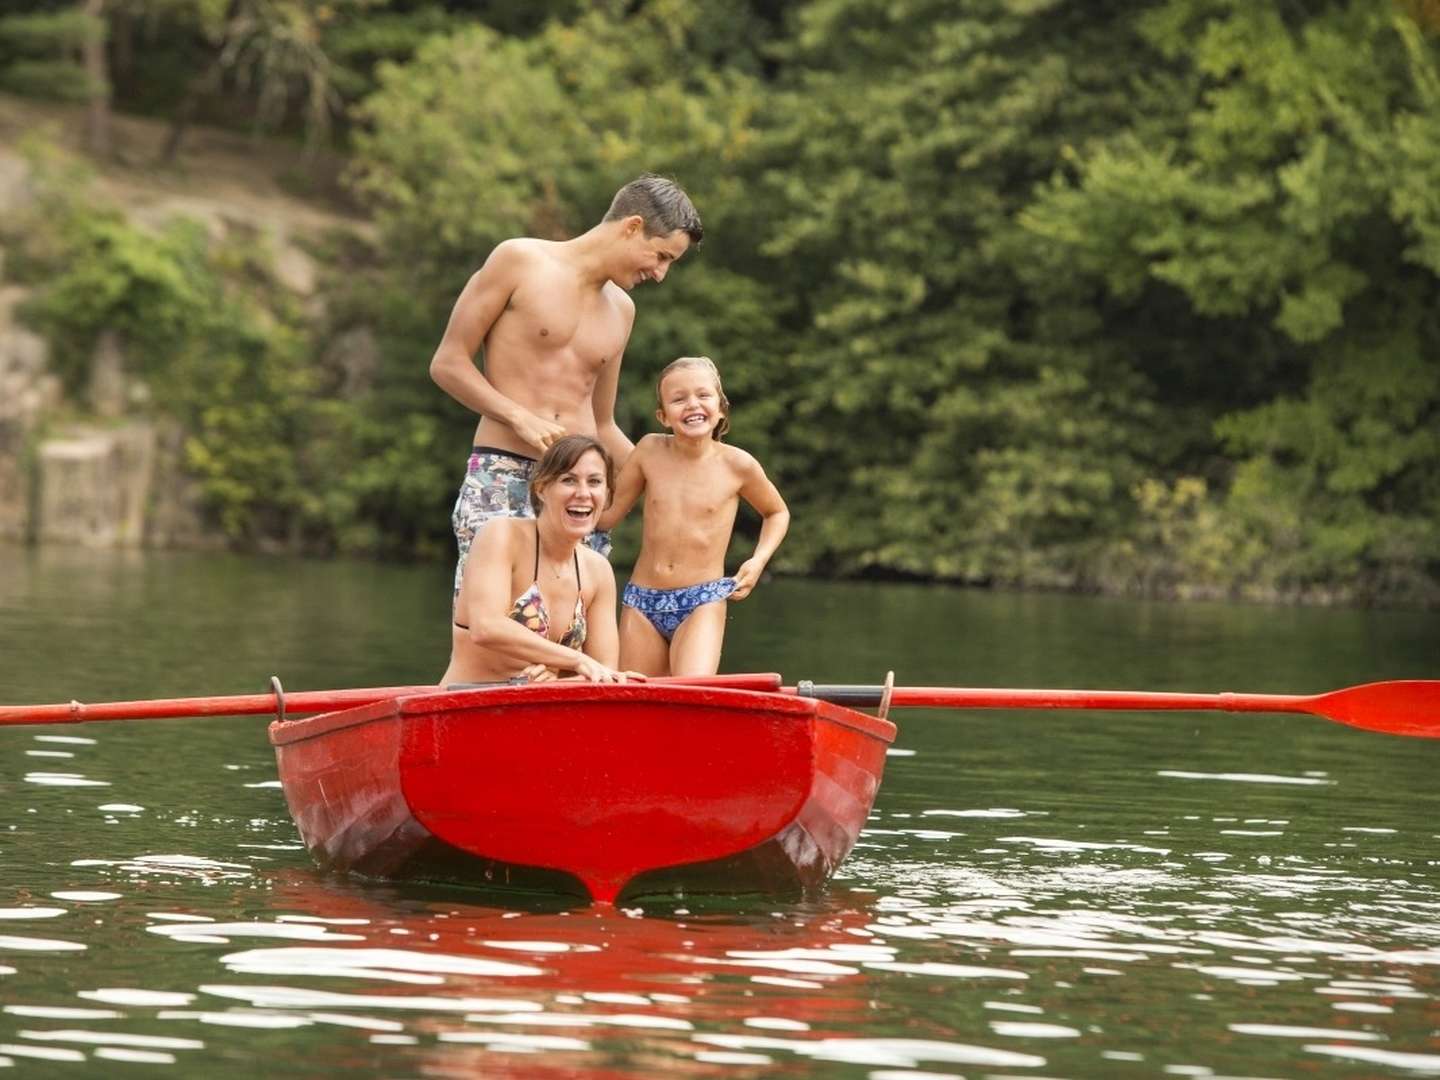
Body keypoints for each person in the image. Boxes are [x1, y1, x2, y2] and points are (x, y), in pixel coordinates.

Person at [430, 174, 703, 601]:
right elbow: (448, 363)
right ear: (632, 226)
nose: (661, 273)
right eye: (662, 255)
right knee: (492, 625)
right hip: (505, 470)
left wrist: (668, 473)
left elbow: (603, 422)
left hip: (582, 488)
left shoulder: (623, 310)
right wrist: (517, 416)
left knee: (570, 631)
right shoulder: (519, 260)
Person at [597, 356, 789, 677]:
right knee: (636, 701)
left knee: (689, 694)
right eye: (678, 399)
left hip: (702, 599)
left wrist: (758, 560)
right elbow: (609, 516)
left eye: (703, 395)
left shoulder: (738, 465)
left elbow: (777, 512)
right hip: (642, 600)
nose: (692, 404)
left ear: (721, 409)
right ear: (663, 416)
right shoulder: (648, 451)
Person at [442, 436, 631, 686]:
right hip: (469, 705)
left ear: (606, 495)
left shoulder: (598, 570)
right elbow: (486, 626)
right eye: (568, 480)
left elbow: (604, 670)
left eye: (594, 482)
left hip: (543, 711)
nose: (583, 493)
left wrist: (560, 678)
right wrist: (573, 660)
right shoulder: (501, 535)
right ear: (541, 489)